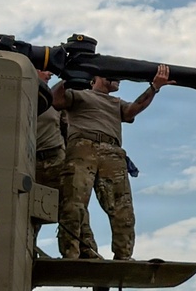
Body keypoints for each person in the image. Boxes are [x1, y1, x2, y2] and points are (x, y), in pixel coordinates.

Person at [52, 65, 175, 261]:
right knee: (73, 204)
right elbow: (56, 100)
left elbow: (132, 110)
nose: (118, 80)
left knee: (122, 208)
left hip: (112, 151)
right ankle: (71, 254)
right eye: (114, 76)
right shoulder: (79, 95)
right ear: (98, 77)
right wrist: (68, 77)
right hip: (83, 147)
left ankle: (123, 256)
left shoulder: (117, 103)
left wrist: (154, 87)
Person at [34, 70, 67, 246]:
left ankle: (77, 251)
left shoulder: (54, 100)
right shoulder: (20, 96)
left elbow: (67, 129)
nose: (49, 74)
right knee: (30, 210)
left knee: (69, 208)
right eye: (45, 70)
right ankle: (28, 248)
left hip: (55, 158)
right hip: (30, 161)